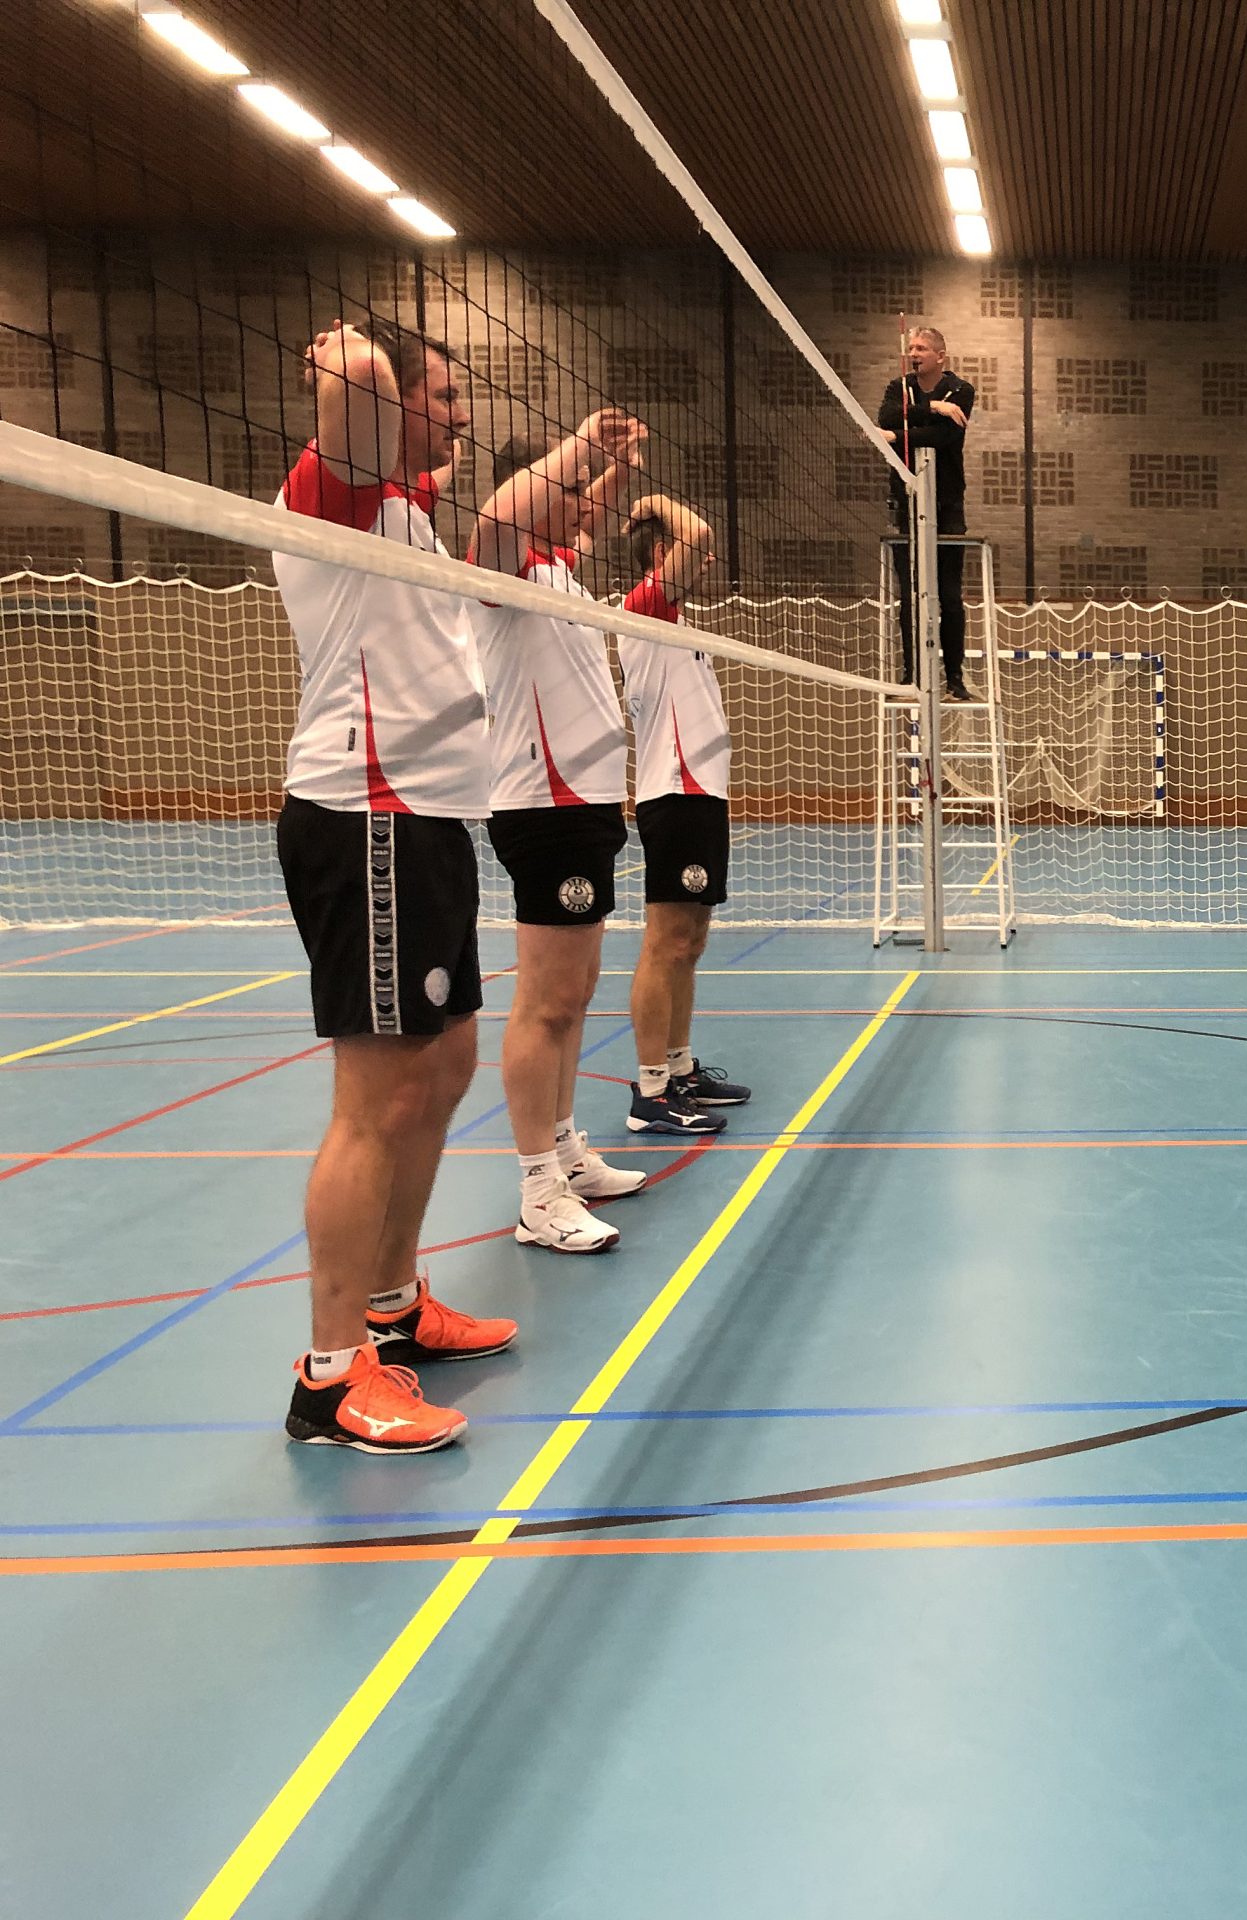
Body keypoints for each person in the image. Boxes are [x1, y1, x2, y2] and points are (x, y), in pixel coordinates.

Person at [271, 319, 517, 1455]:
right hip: (364, 819)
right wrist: (354, 353)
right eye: (445, 395)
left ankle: (395, 1306)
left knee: (447, 1065)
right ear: (391, 407)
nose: (463, 416)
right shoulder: (337, 497)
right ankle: (329, 1378)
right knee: (372, 1104)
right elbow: (355, 381)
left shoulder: (408, 510)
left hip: (428, 821)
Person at [470, 428, 654, 1252]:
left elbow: (584, 508)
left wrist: (609, 468)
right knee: (544, 1003)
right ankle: (538, 1189)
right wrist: (580, 445)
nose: (588, 506)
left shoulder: (557, 569)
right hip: (542, 807)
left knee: (575, 996)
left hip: (586, 805)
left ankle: (567, 1152)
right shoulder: (502, 568)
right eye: (572, 491)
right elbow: (499, 515)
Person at [620, 492, 754, 1135]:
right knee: (666, 943)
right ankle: (652, 1091)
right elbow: (698, 533)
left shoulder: (674, 620)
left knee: (690, 944)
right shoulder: (645, 609)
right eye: (689, 557)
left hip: (701, 796)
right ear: (661, 554)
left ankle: (679, 1068)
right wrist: (652, 500)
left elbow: (696, 542)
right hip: (674, 794)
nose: (705, 561)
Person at [876, 324, 976, 700]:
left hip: (947, 504)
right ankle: (912, 676)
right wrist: (932, 408)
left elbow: (945, 437)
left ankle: (955, 680)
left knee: (948, 594)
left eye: (921, 348)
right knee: (911, 595)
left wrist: (899, 436)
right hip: (906, 501)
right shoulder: (899, 387)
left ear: (939, 356)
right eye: (912, 348)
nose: (914, 354)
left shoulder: (961, 390)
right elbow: (887, 415)